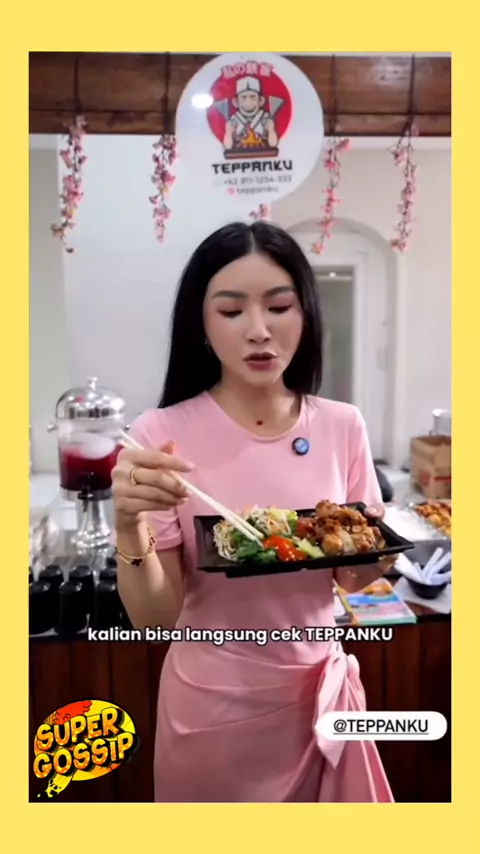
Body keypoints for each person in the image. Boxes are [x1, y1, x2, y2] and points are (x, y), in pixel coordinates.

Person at [112, 221, 395, 803]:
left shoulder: (342, 425)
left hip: (320, 699)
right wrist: (128, 526)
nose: (259, 330)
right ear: (202, 324)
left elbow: (351, 578)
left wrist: (381, 549)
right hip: (213, 708)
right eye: (232, 310)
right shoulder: (161, 433)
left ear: (305, 314)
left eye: (280, 306)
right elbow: (156, 619)